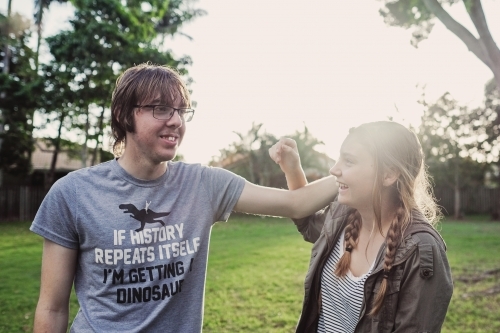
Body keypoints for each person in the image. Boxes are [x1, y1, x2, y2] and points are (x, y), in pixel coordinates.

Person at [30, 63, 338, 333]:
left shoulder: (204, 184)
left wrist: (354, 167)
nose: (176, 121)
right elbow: (52, 308)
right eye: (161, 109)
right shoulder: (73, 193)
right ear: (125, 115)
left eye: (181, 111)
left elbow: (297, 204)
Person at [269, 121, 453, 333]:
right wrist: (293, 170)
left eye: (349, 161)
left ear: (388, 175)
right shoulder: (341, 215)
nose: (334, 169)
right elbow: (306, 221)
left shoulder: (420, 250)